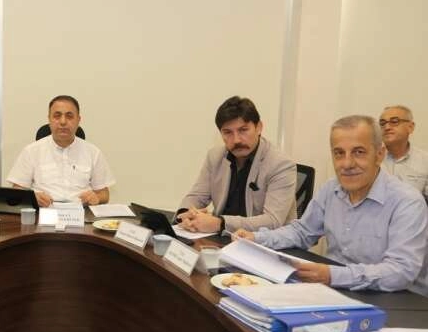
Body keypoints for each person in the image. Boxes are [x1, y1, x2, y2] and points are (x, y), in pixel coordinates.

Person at [235, 115, 428, 292]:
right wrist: (256, 238)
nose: (347, 164)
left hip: (395, 300)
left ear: (379, 155)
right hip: (335, 291)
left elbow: (400, 272)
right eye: (339, 153)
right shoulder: (331, 189)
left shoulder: (407, 202)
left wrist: (332, 275)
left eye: (359, 152)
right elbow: (302, 232)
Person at [177, 96, 296, 233]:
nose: (236, 140)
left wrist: (220, 223)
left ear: (259, 127)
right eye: (227, 132)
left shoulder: (281, 164)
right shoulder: (215, 156)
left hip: (263, 241)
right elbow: (197, 196)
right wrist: (185, 215)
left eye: (243, 130)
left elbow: (272, 221)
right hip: (223, 237)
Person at [7, 95, 115, 207]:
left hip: (81, 212)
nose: (63, 121)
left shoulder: (93, 152)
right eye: (57, 116)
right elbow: (17, 191)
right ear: (49, 119)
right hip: (44, 211)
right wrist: (32, 198)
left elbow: (104, 194)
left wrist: (97, 197)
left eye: (69, 116)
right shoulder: (31, 151)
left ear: (78, 120)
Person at [379, 105, 428, 202]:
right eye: (382, 123)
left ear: (410, 127)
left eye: (394, 121)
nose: (387, 127)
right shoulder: (371, 159)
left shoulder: (425, 161)